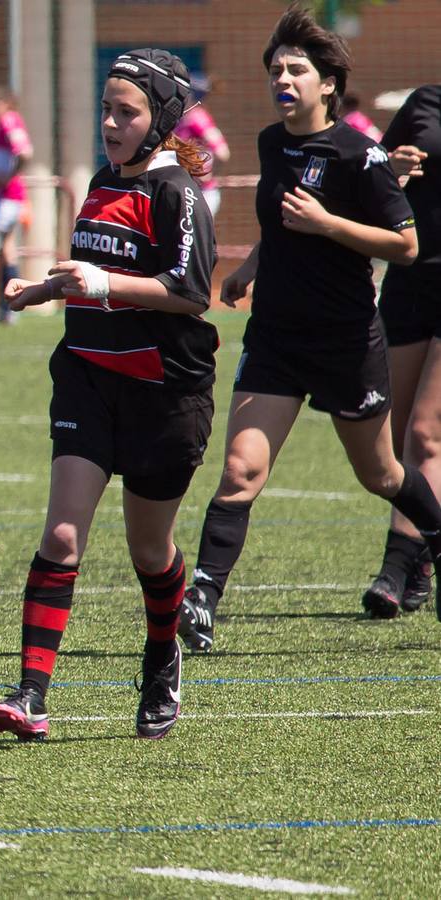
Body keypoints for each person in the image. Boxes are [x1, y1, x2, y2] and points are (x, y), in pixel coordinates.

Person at [179, 8, 441, 649]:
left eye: (297, 69)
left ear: (328, 83)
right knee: (241, 470)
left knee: (380, 474)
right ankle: (203, 599)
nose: (283, 78)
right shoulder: (274, 143)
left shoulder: (361, 154)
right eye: (276, 69)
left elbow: (403, 244)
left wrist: (330, 225)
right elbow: (279, 219)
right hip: (276, 338)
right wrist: (248, 267)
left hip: (347, 343)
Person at [0, 49, 218, 742]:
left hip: (164, 394)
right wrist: (43, 288)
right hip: (86, 375)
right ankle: (29, 696)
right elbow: (93, 271)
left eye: (126, 112)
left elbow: (189, 291)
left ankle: (159, 654)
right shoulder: (99, 180)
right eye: (105, 110)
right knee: (60, 533)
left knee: (150, 553)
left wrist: (100, 286)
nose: (109, 124)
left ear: (160, 120)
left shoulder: (177, 193)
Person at [358, 84, 441, 616]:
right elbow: (372, 175)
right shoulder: (425, 103)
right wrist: (393, 165)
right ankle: (424, 559)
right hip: (412, 281)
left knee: (426, 433)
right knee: (390, 429)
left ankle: (395, 567)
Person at [0, 86, 35, 325]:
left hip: (5, 199)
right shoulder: (0, 127)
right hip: (5, 199)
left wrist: (10, 176)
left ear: (6, 103)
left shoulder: (9, 120)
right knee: (6, 252)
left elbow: (25, 152)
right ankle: (9, 308)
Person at [175, 81, 231, 223]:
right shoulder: (183, 120)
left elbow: (222, 152)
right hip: (187, 190)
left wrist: (207, 173)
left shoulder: (197, 119)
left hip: (202, 193)